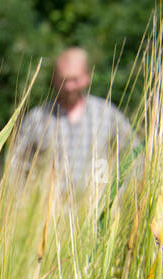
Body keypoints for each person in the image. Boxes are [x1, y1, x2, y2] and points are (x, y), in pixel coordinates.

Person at [10, 48, 138, 195]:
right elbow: (16, 165)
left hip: (98, 209)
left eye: (74, 79)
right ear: (54, 79)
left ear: (87, 77)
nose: (69, 87)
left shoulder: (107, 113)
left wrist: (122, 192)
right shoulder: (36, 118)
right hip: (48, 212)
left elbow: (134, 152)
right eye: (63, 79)